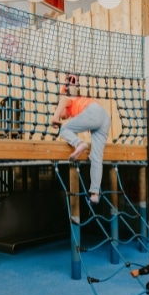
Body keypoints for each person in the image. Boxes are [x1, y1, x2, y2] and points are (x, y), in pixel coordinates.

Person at [51, 75, 111, 205]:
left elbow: (64, 100)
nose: (63, 117)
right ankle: (95, 193)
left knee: (64, 129)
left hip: (94, 112)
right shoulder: (79, 105)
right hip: (104, 118)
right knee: (96, 157)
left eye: (61, 115)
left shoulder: (70, 100)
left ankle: (79, 143)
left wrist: (55, 118)